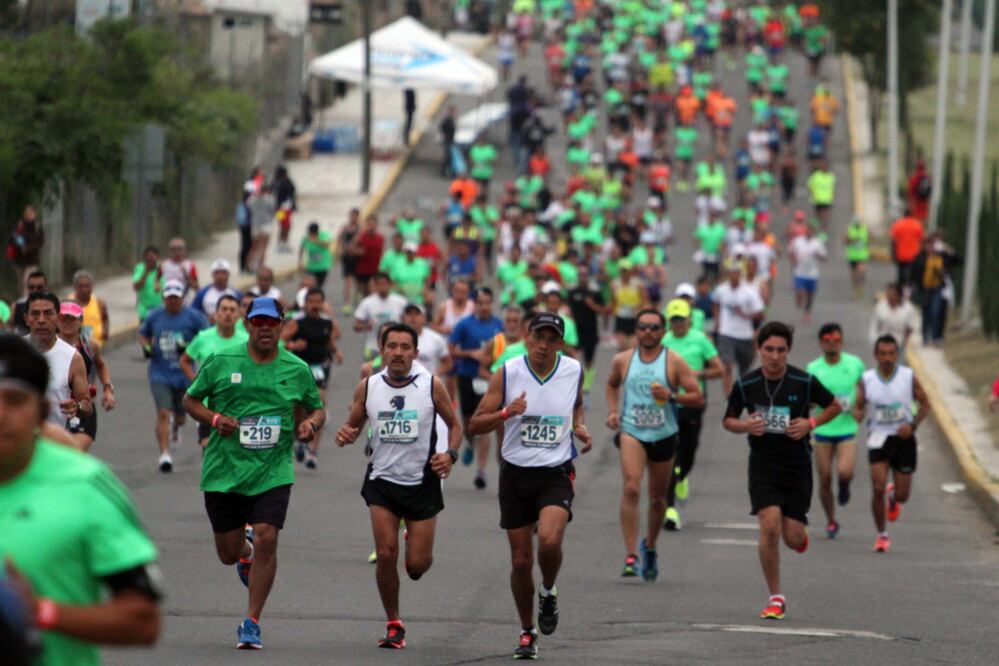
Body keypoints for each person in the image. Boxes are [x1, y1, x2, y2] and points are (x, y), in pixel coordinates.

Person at [0, 334, 163, 664]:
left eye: (15, 400)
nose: (0, 414)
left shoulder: (85, 485)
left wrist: (39, 612)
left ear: (42, 412)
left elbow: (143, 620)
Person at [183, 297, 325, 649]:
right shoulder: (222, 361)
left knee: (268, 536)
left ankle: (252, 621)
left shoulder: (296, 368)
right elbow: (190, 400)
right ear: (247, 324)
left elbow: (317, 409)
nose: (264, 328)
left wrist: (309, 424)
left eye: (271, 322)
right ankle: (244, 552)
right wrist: (215, 418)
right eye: (258, 322)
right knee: (228, 553)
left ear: (282, 325)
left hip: (272, 470)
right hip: (224, 471)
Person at [468, 313, 592, 659]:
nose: (543, 345)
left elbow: (577, 405)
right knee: (521, 561)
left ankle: (548, 591)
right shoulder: (507, 372)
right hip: (516, 474)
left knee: (549, 541)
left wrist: (579, 426)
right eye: (538, 337)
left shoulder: (573, 370)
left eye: (551, 340)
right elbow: (475, 423)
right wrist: (506, 413)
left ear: (560, 344)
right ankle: (527, 630)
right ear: (527, 336)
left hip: (556, 471)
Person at [335, 323, 463, 649]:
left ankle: (413, 542)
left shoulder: (432, 386)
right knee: (386, 553)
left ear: (415, 353)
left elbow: (455, 426)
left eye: (405, 347)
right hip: (382, 480)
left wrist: (449, 454)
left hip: (422, 482)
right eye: (392, 346)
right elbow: (353, 425)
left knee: (417, 566)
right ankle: (394, 622)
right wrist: (346, 433)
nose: (398, 353)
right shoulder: (368, 387)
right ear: (382, 350)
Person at [723, 321, 841, 620]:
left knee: (792, 537)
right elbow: (728, 420)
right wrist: (746, 426)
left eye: (781, 350)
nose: (775, 356)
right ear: (759, 350)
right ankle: (776, 597)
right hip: (763, 466)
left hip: (797, 466)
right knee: (769, 526)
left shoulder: (804, 381)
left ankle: (800, 535)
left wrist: (810, 423)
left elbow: (834, 406)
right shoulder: (746, 384)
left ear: (788, 351)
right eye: (769, 350)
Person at [606, 308, 703, 579]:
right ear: (636, 330)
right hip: (632, 431)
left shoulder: (674, 361)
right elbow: (611, 385)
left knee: (658, 498)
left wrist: (671, 395)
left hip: (663, 434)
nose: (648, 332)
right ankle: (631, 554)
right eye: (643, 327)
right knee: (631, 487)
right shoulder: (623, 359)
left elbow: (697, 396)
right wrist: (613, 411)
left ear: (663, 331)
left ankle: (649, 545)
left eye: (654, 327)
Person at [854, 335, 929, 553]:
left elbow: (925, 405)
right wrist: (858, 413)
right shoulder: (867, 379)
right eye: (883, 354)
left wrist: (912, 426)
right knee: (877, 487)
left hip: (903, 439)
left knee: (903, 495)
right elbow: (859, 405)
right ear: (875, 355)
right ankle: (882, 535)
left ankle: (894, 495)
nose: (887, 358)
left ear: (897, 355)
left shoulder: (908, 377)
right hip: (878, 438)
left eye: (891, 354)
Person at [662, 299, 725, 531]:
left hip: (693, 402)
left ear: (689, 319)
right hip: (667, 404)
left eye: (681, 319)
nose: (678, 323)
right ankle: (670, 509)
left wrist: (698, 374)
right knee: (671, 453)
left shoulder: (700, 339)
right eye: (674, 319)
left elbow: (719, 369)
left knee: (689, 451)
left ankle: (682, 476)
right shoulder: (663, 340)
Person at [139, 280, 209, 472]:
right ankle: (164, 455)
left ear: (182, 298)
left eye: (176, 298)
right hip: (160, 373)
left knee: (181, 417)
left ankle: (176, 427)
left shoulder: (194, 317)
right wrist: (146, 347)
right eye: (169, 298)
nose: (172, 301)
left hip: (185, 375)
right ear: (164, 298)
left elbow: (207, 337)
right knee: (163, 412)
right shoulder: (155, 316)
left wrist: (190, 348)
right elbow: (143, 334)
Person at [805, 324, 866, 539]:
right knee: (824, 478)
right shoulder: (813, 368)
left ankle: (845, 485)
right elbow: (807, 398)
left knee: (844, 472)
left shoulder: (854, 364)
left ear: (842, 341)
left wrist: (860, 408)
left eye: (836, 340)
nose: (832, 344)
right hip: (822, 428)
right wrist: (813, 407)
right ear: (821, 343)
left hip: (846, 427)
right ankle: (831, 520)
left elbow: (863, 388)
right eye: (828, 340)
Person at [25, 292, 95, 451]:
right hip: (17, 447)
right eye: (35, 314)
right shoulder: (11, 351)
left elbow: (86, 405)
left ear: (57, 317)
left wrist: (77, 407)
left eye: (48, 313)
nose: (41, 320)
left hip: (54, 447)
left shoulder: (72, 357)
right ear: (26, 318)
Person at [449, 288, 503, 488]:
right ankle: (470, 444)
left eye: (487, 302)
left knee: (485, 424)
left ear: (492, 303)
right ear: (475, 305)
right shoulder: (464, 324)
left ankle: (481, 470)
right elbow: (451, 350)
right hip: (467, 376)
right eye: (480, 303)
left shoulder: (499, 326)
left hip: (490, 380)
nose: (484, 306)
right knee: (468, 421)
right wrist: (471, 353)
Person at [281, 288, 341, 468]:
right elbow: (281, 341)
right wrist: (293, 345)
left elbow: (329, 341)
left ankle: (313, 451)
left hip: (319, 368)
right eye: (311, 302)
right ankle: (300, 439)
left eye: (318, 302)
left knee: (319, 405)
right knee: (299, 409)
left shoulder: (327, 323)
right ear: (305, 304)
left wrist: (336, 352)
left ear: (322, 304)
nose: (315, 305)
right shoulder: (297, 322)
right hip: (300, 369)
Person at [179, 295, 249, 448]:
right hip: (207, 407)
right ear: (216, 314)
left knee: (236, 450)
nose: (228, 313)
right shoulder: (203, 338)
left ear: (238, 316)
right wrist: (197, 382)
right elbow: (184, 361)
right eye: (224, 309)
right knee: (209, 448)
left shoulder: (247, 341)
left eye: (232, 310)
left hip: (238, 406)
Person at [57, 301, 116, 447]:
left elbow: (101, 366)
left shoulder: (90, 345)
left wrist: (108, 390)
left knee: (75, 451)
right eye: (63, 318)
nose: (68, 322)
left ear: (81, 321)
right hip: (58, 408)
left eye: (72, 318)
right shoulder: (49, 346)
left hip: (84, 407)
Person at [714, 263, 765, 395]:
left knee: (745, 368)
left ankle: (743, 392)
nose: (733, 276)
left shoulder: (750, 291)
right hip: (726, 332)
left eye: (736, 273)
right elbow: (716, 303)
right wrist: (718, 321)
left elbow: (760, 313)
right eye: (731, 273)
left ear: (740, 274)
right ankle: (729, 396)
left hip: (745, 335)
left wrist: (745, 314)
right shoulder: (721, 290)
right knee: (727, 365)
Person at [911, 232, 962, 346]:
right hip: (924, 289)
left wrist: (949, 250)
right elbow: (914, 273)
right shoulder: (920, 257)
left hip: (938, 288)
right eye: (928, 245)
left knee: (936, 312)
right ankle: (925, 338)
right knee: (925, 314)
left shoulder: (942, 256)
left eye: (933, 245)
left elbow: (958, 260)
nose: (931, 247)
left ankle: (935, 338)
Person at [354, 273, 408, 361]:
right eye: (379, 284)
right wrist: (366, 326)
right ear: (375, 286)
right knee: (371, 368)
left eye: (384, 284)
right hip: (373, 347)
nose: (382, 287)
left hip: (394, 348)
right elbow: (356, 325)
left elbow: (408, 321)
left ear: (390, 284)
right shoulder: (367, 302)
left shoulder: (400, 302)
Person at [788, 224, 827, 322]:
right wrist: (793, 258)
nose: (809, 232)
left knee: (810, 295)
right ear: (805, 231)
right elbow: (790, 251)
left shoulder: (817, 242)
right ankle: (799, 297)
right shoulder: (798, 241)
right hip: (800, 272)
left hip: (812, 274)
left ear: (813, 232)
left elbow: (824, 257)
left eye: (811, 231)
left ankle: (807, 313)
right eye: (807, 230)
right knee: (801, 291)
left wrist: (818, 255)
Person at [869, 283, 918, 357]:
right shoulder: (880, 307)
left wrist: (904, 341)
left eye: (892, 294)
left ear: (899, 295)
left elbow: (910, 327)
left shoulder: (908, 308)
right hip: (882, 343)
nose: (889, 297)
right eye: (888, 294)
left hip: (899, 344)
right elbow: (874, 326)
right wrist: (875, 341)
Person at [402, 303, 451, 377]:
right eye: (409, 314)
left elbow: (447, 363)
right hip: (403, 382)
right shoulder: (396, 338)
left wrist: (435, 376)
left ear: (424, 318)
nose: (413, 317)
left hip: (427, 382)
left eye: (416, 314)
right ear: (403, 318)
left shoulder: (436, 339)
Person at [65, 270, 110, 347]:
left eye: (87, 286)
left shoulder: (99, 303)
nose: (84, 290)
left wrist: (105, 331)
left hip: (97, 347)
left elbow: (105, 318)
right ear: (75, 287)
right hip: (75, 348)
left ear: (92, 286)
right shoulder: (68, 304)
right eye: (81, 286)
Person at [192, 260, 242, 324]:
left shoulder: (237, 294)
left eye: (223, 273)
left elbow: (242, 312)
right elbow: (193, 312)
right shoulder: (202, 293)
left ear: (228, 274)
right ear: (212, 275)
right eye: (217, 273)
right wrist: (205, 318)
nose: (220, 276)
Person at [889, 209, 924, 289]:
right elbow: (921, 239)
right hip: (913, 255)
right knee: (910, 274)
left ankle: (900, 289)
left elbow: (893, 240)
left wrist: (893, 253)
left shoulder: (898, 224)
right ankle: (908, 289)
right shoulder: (917, 225)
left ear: (904, 215)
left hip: (900, 254)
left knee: (900, 273)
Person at [7, 205, 43, 281]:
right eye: (26, 213)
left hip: (33, 260)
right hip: (20, 260)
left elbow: (40, 242)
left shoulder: (37, 226)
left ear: (35, 214)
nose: (28, 215)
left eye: (31, 213)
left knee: (29, 282)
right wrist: (22, 246)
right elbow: (14, 238)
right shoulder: (20, 225)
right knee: (22, 283)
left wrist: (29, 248)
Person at [352, 214, 385, 298]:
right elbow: (351, 249)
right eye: (370, 224)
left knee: (372, 293)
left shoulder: (380, 238)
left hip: (374, 270)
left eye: (374, 224)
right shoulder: (361, 237)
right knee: (363, 293)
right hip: (362, 270)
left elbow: (382, 253)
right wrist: (358, 251)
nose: (372, 226)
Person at [338, 210, 361, 312]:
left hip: (356, 257)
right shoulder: (344, 228)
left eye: (355, 216)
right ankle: (347, 303)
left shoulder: (360, 228)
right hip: (347, 257)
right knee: (347, 282)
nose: (353, 218)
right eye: (352, 216)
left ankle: (357, 300)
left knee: (357, 282)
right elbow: (340, 240)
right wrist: (340, 250)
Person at [300, 222, 334, 291]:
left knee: (318, 286)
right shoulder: (306, 238)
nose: (311, 235)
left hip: (323, 266)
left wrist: (314, 240)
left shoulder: (324, 235)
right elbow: (301, 249)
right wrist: (300, 262)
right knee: (309, 286)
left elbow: (326, 245)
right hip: (311, 267)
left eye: (313, 233)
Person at [132, 246, 163, 322]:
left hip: (160, 311)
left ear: (158, 257)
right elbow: (136, 286)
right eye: (148, 257)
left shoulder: (161, 268)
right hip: (145, 311)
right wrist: (146, 272)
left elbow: (159, 289)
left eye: (152, 256)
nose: (150, 259)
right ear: (144, 258)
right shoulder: (140, 268)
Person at [12, 270, 47, 335]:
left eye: (39, 287)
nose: (35, 291)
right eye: (31, 287)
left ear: (46, 287)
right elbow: (11, 327)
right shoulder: (18, 305)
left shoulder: (53, 305)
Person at [844, 217, 870, 297]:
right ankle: (856, 289)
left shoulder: (865, 229)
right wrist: (853, 240)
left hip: (862, 255)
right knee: (854, 274)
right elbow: (845, 241)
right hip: (852, 255)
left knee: (861, 271)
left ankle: (861, 286)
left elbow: (869, 239)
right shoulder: (849, 229)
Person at [907, 158, 931, 223]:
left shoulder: (914, 177)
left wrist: (910, 201)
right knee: (923, 217)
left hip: (916, 201)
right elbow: (930, 189)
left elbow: (910, 190)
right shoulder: (927, 177)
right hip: (925, 201)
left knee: (915, 218)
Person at [439, 106, 457, 177]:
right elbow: (442, 128)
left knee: (449, 156)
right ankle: (444, 171)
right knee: (448, 156)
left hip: (449, 139)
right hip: (448, 140)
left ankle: (448, 171)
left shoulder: (450, 120)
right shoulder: (447, 120)